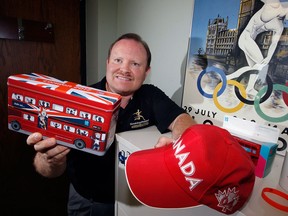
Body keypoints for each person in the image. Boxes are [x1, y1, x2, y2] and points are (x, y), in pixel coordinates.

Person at [26, 33, 196, 216]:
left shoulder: (151, 95)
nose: (124, 69)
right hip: (89, 201)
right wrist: (48, 159)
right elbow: (48, 170)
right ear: (107, 63)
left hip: (134, 203)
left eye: (135, 64)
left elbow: (181, 119)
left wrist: (183, 145)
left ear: (146, 71)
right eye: (118, 60)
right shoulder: (78, 99)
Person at [227, 0, 288, 96]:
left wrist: (268, 57)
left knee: (254, 68)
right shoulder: (272, 5)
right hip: (246, 37)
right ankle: (227, 78)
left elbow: (274, 43)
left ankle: (249, 88)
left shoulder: (279, 26)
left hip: (250, 41)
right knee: (259, 65)